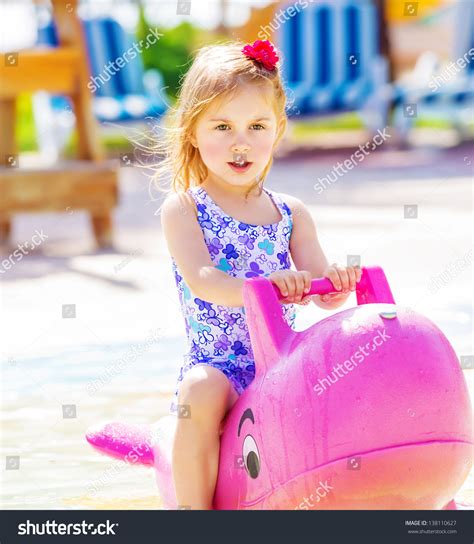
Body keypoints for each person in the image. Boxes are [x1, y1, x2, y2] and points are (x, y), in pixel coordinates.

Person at [157, 39, 362, 509]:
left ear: (278, 128)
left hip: (283, 360)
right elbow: (204, 279)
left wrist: (334, 286)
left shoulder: (291, 213)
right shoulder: (186, 209)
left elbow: (317, 286)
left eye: (256, 126)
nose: (240, 142)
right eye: (222, 126)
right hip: (222, 366)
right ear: (192, 130)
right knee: (199, 391)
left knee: (342, 377)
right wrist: (264, 287)